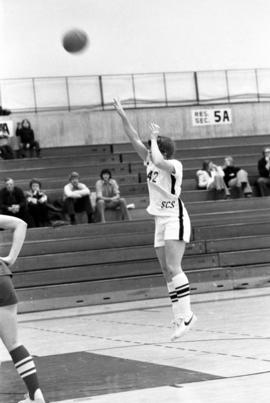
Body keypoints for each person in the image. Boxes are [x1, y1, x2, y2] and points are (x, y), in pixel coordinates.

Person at [113, 98, 196, 341]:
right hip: (159, 219)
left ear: (163, 149)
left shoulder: (173, 164)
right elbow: (132, 137)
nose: (149, 149)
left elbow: (158, 160)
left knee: (174, 266)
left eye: (154, 145)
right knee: (165, 270)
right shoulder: (149, 158)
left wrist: (154, 138)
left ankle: (188, 314)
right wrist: (123, 115)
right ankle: (179, 316)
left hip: (175, 217)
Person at [0, 214, 46, 403]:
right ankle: (36, 395)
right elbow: (21, 223)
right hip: (1, 277)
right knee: (14, 344)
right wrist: (11, 257)